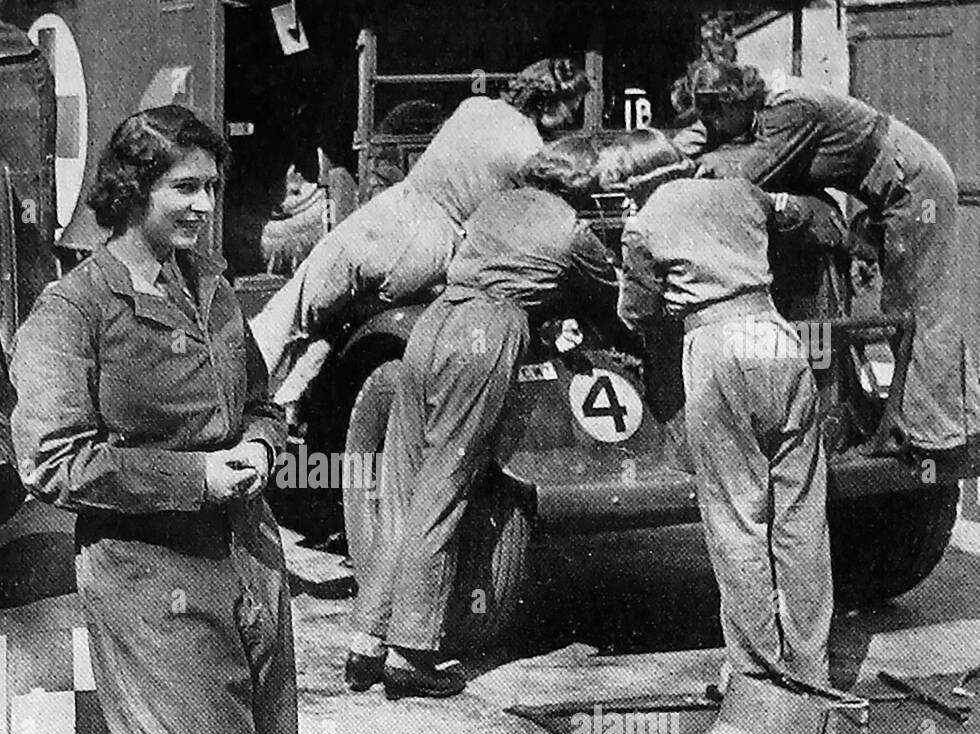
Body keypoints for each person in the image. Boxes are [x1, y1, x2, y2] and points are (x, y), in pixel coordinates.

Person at [9, 106, 298, 734]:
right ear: (132, 189)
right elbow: (54, 462)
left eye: (213, 186)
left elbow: (264, 404)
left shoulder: (209, 288)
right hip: (150, 582)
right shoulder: (72, 312)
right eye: (186, 187)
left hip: (250, 563)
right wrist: (196, 475)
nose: (206, 205)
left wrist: (260, 446)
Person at [346, 137, 616, 699]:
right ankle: (411, 653)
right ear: (578, 186)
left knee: (401, 487)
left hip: (431, 325)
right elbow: (611, 295)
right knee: (443, 493)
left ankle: (366, 643)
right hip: (486, 333)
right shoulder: (572, 229)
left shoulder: (491, 205)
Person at [674, 57, 979, 475]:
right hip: (887, 189)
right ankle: (942, 424)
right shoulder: (757, 101)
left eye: (713, 116)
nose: (710, 127)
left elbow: (746, 175)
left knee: (920, 309)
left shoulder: (790, 109)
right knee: (907, 310)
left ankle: (936, 441)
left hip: (915, 190)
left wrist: (686, 167)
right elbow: (704, 138)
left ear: (731, 104)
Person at [608, 128, 832, 688]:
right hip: (778, 339)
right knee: (801, 516)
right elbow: (804, 218)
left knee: (738, 518)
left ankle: (758, 679)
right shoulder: (742, 192)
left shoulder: (643, 222)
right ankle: (811, 670)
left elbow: (635, 312)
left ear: (641, 180)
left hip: (717, 348)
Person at [249, 57, 592, 411]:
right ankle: (287, 406)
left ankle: (239, 404)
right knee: (341, 323)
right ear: (549, 101)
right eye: (572, 105)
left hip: (391, 219)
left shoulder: (475, 107)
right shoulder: (532, 153)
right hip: (435, 255)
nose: (573, 116)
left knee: (290, 314)